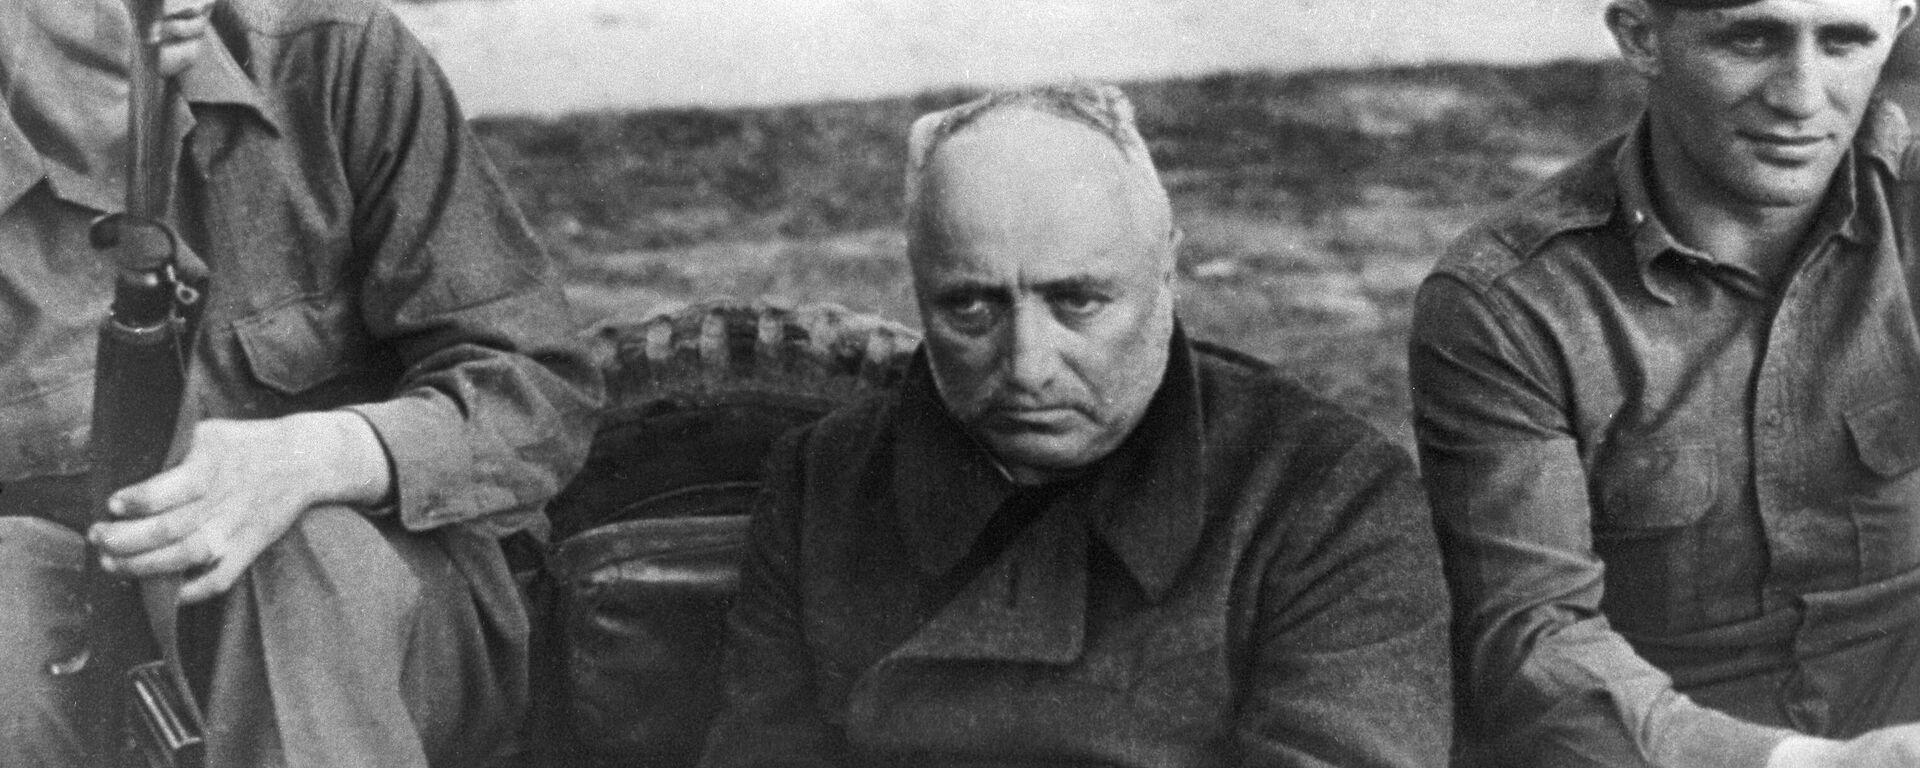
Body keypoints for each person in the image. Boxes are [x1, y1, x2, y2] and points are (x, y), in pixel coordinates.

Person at [698, 83, 1451, 767]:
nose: (1027, 366)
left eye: (1078, 302)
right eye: (970, 307)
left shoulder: (1328, 498)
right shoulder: (823, 481)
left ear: (1166, 273)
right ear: (919, 290)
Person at [0, 0, 601, 765]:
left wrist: (316, 458)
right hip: (83, 626)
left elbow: (541, 391)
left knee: (303, 561)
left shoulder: (333, 55)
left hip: (375, 614)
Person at [1409, 0, 1920, 765]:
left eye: (1844, 42)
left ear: (1899, 27)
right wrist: (1813, 763)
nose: (1800, 97)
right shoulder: (1512, 304)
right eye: (1751, 38)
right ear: (1640, 36)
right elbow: (1533, 645)